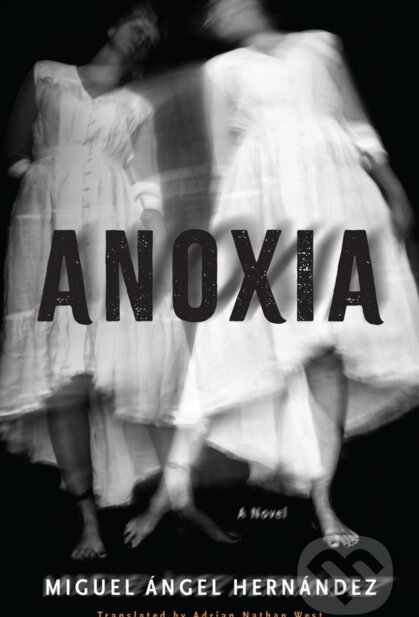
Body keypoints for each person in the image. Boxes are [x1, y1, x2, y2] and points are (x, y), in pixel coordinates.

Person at [170, 0, 419, 548]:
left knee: (331, 346)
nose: (227, 11)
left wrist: (393, 189)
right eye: (216, 9)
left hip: (335, 196)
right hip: (269, 208)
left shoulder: (320, 44)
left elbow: (357, 125)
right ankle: (224, 484)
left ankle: (324, 502)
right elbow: (222, 160)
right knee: (285, 344)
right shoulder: (223, 70)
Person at [0, 1, 201, 559]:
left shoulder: (138, 104)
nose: (142, 36)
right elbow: (13, 151)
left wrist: (151, 222)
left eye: (151, 36)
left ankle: (175, 497)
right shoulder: (47, 75)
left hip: (114, 224)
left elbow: (148, 178)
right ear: (114, 24)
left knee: (129, 357)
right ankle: (87, 522)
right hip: (47, 224)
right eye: (138, 25)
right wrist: (44, 182)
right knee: (60, 374)